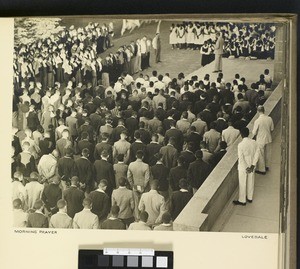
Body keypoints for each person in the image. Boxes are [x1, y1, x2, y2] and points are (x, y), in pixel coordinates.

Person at [233, 127, 260, 205]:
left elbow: (241, 158)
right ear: (248, 133)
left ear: (241, 135)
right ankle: (250, 197)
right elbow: (257, 154)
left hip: (243, 167)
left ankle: (242, 200)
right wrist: (252, 165)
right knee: (251, 181)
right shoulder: (254, 142)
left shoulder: (240, 145)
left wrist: (246, 167)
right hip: (252, 164)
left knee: (242, 182)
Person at [127, 150, 150, 219]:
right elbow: (147, 178)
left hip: (135, 185)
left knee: (136, 202)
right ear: (142, 157)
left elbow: (129, 176)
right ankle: (143, 217)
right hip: (143, 186)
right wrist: (144, 186)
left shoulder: (131, 164)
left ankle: (137, 217)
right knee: (143, 202)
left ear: (136, 156)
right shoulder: (146, 166)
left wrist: (132, 184)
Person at [252, 105, 274, 174]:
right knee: (268, 153)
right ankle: (267, 166)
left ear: (258, 111)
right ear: (264, 110)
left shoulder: (257, 121)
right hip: (268, 138)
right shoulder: (269, 118)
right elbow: (272, 129)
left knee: (261, 154)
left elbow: (254, 132)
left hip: (260, 139)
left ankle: (262, 169)